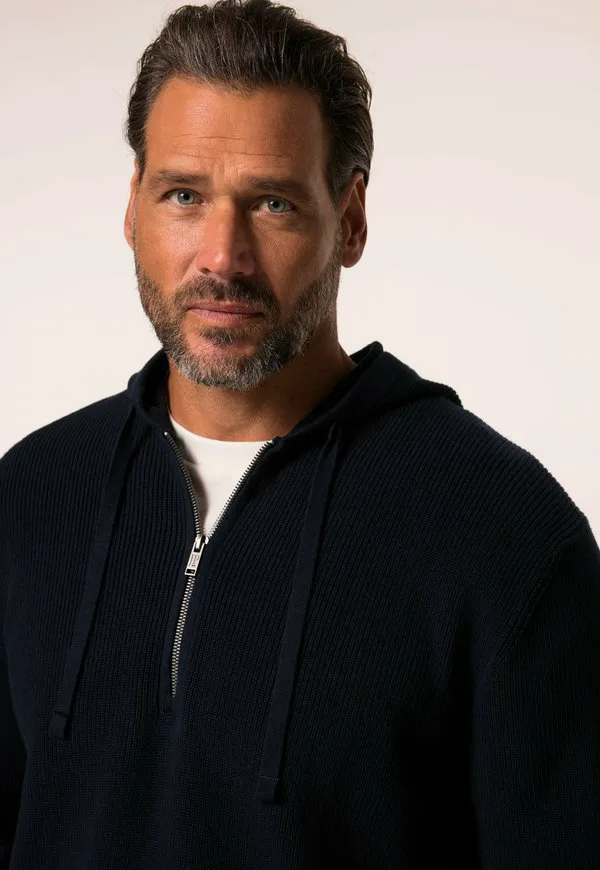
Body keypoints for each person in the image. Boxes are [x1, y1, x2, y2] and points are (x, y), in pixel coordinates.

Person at [1, 0, 599, 866]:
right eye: (183, 195)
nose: (222, 255)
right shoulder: (30, 496)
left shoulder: (502, 534)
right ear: (132, 207)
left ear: (349, 220)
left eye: (273, 203)